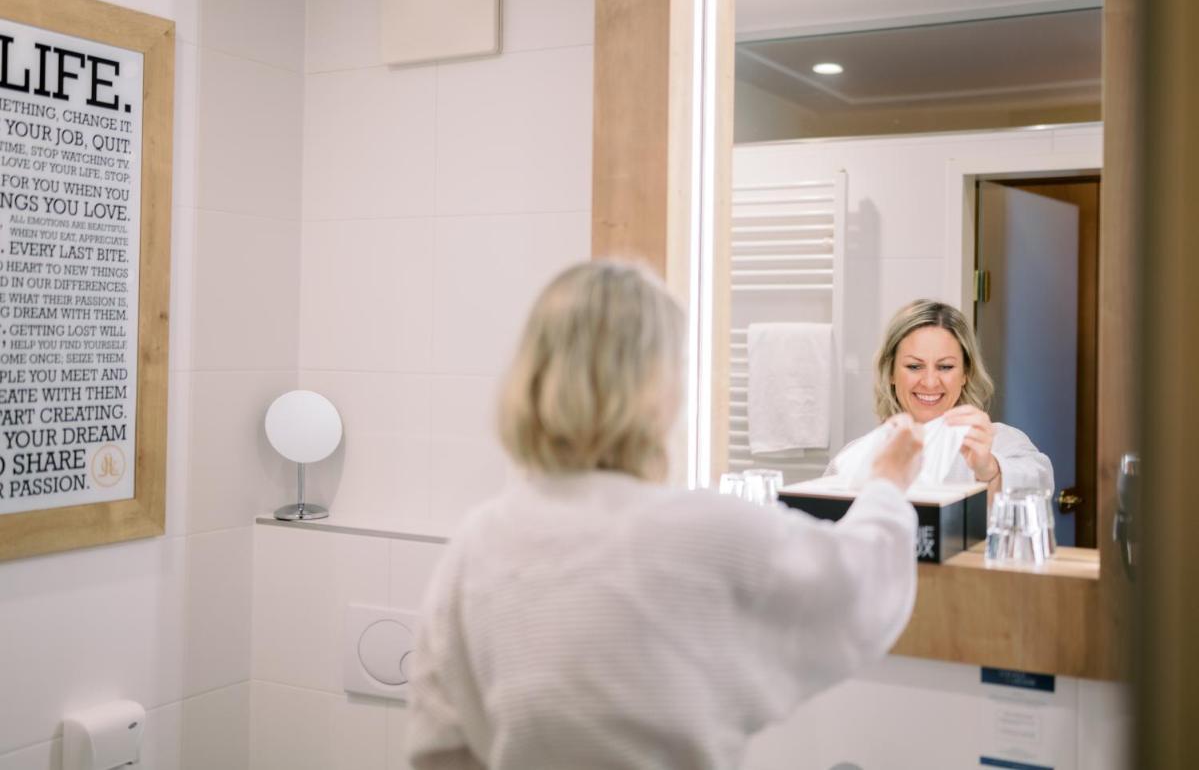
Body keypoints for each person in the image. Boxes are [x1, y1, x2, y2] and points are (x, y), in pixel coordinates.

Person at [407, 260, 925, 770]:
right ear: (657, 388)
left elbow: (439, 751)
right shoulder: (703, 532)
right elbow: (857, 581)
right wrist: (886, 484)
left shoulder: (478, 543)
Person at [827, 299, 1053, 495]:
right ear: (891, 372)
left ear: (965, 373)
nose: (930, 382)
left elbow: (1040, 486)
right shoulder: (858, 455)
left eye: (945, 367)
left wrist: (990, 469)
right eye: (914, 366)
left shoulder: (1001, 443)